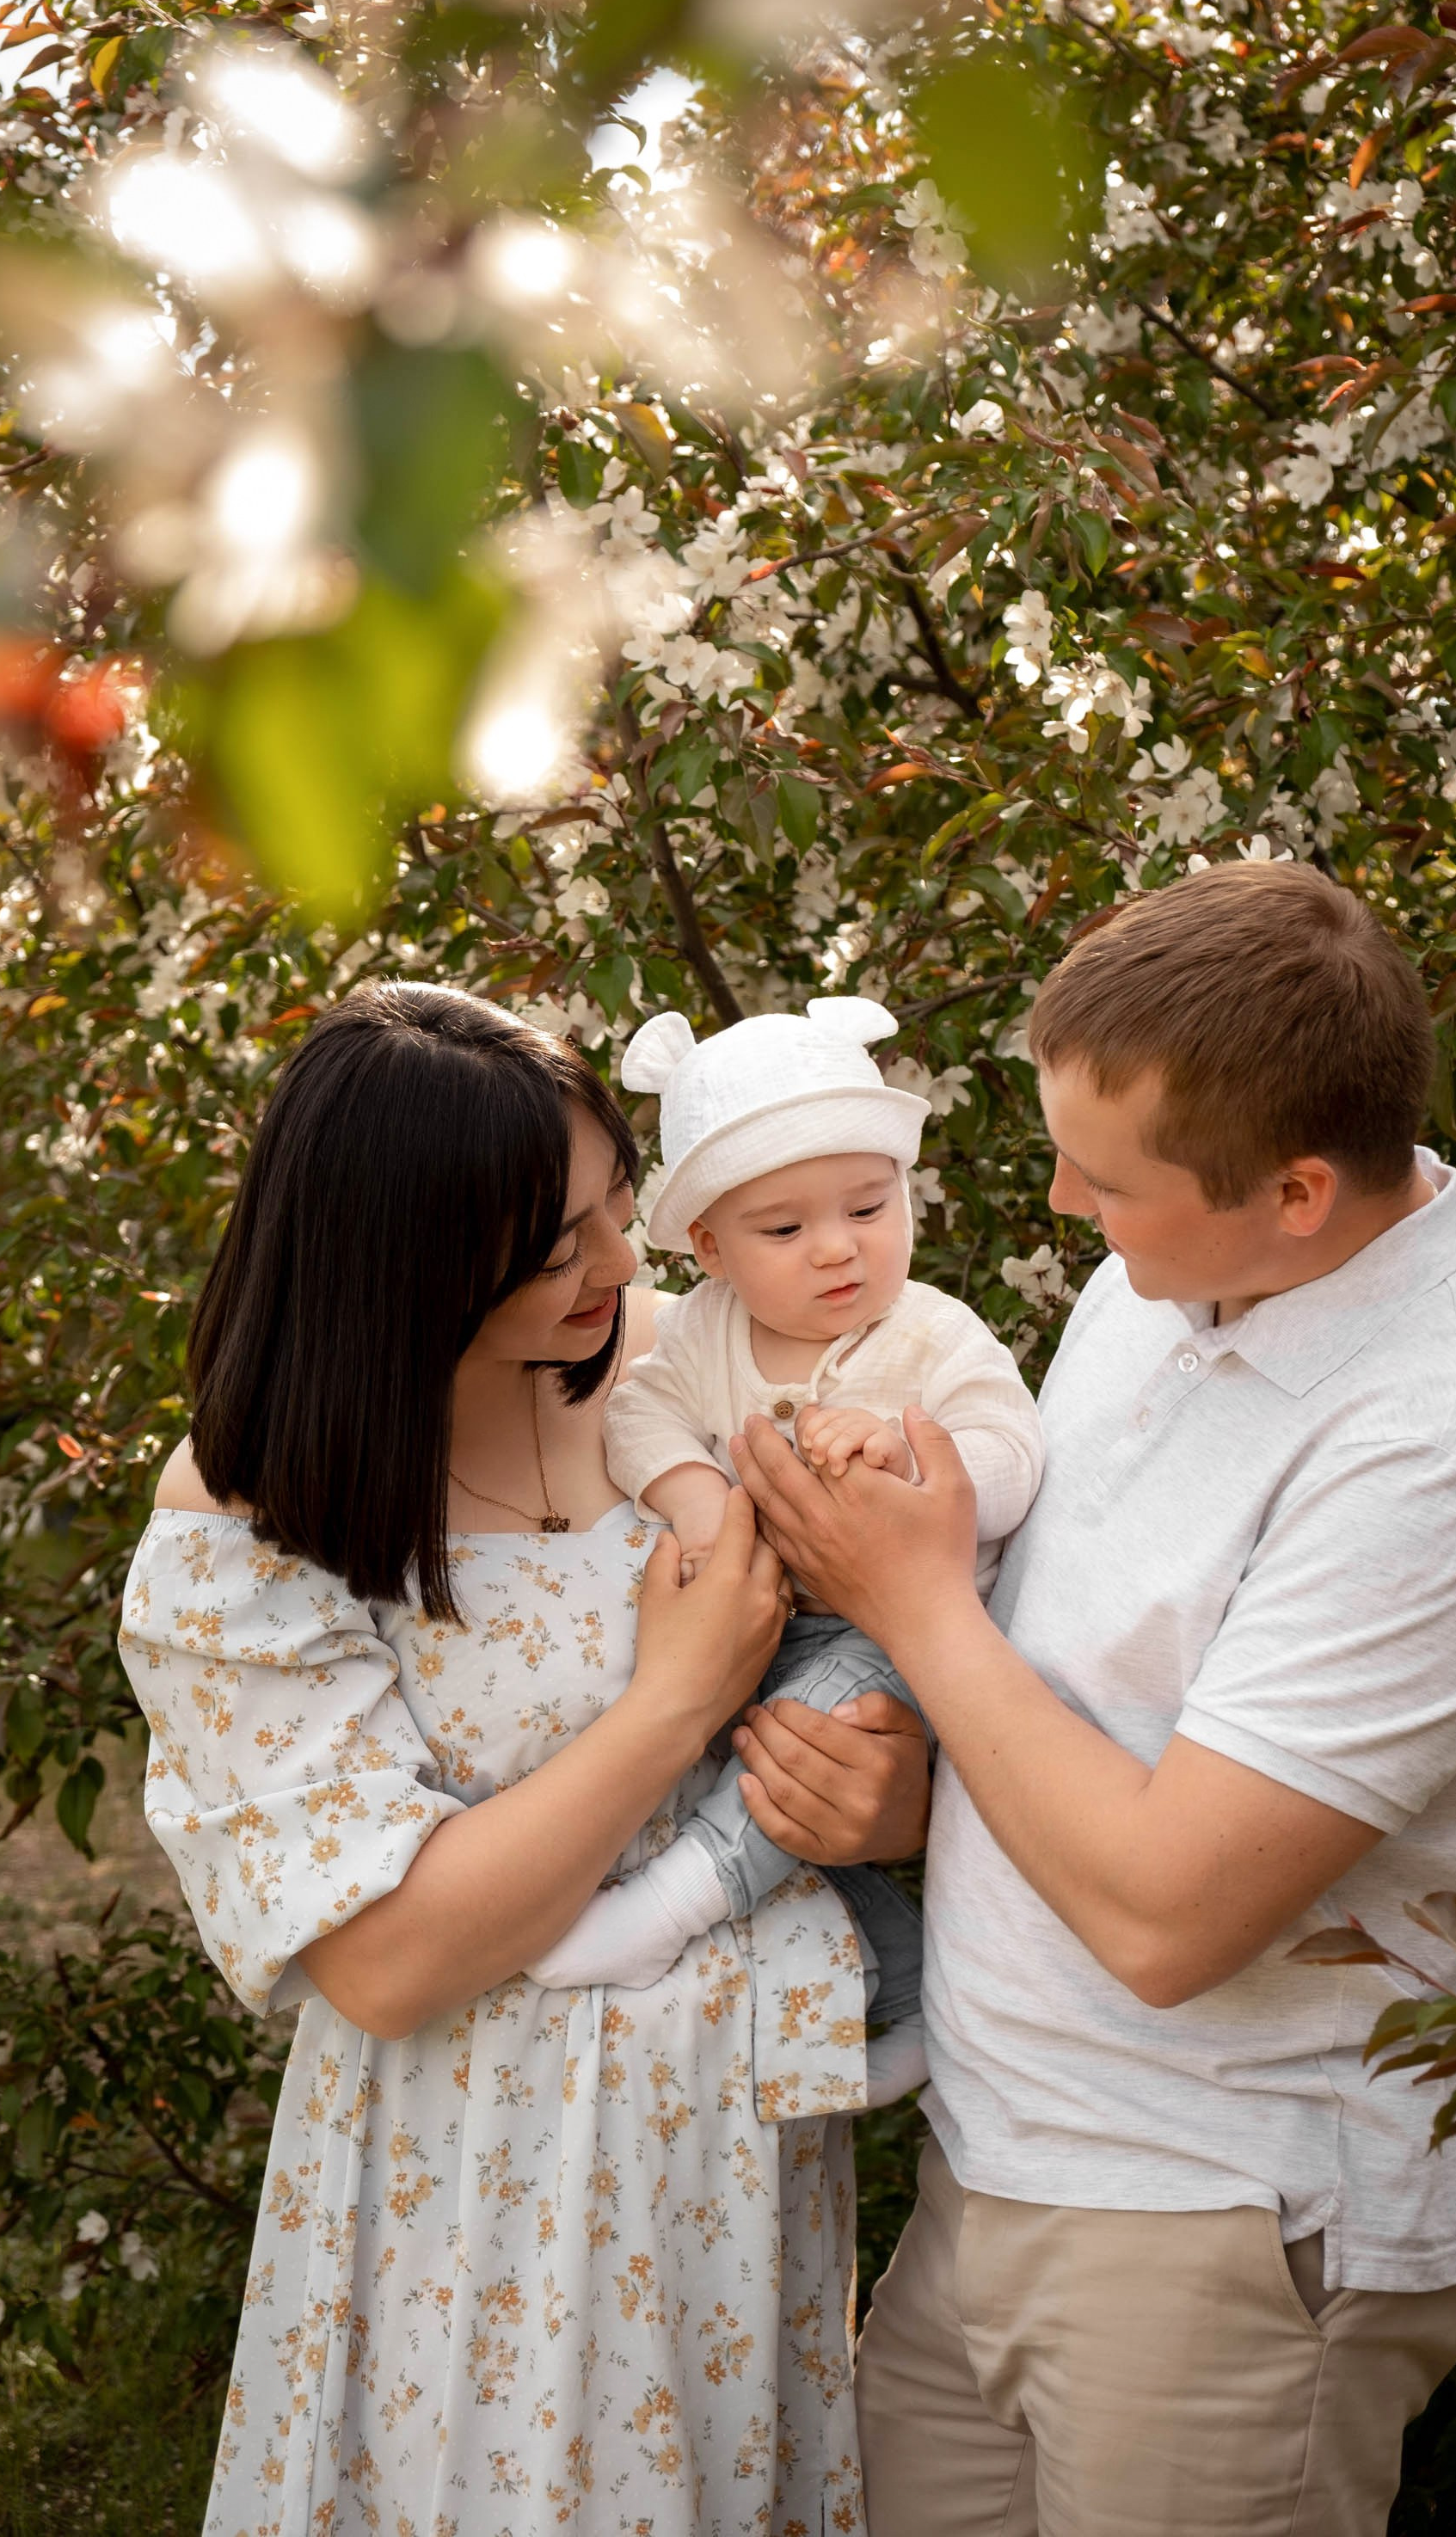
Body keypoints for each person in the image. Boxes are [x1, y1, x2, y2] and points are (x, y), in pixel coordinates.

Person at [728, 864, 1456, 2537]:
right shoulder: (1170, 1281)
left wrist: (904, 1590)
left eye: (1104, 1178)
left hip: (1220, 2228)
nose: (1062, 1206)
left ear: (1293, 1189)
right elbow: (1081, 1709)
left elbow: (1166, 1917)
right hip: (997, 2168)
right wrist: (922, 1793)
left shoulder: (1437, 1451)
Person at [118, 980, 928, 2537]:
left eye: (618, 1211)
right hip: (463, 2188)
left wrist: (894, 1803)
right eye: (559, 1247)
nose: (622, 1268)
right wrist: (672, 1706)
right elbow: (389, 1956)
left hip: (728, 2172)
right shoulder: (257, 1507)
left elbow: (921, 1630)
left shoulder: (700, 1379)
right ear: (401, 1264)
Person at [523, 997, 1043, 2105]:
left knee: (803, 1748)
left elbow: (1014, 1457)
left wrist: (915, 1462)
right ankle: (910, 1991)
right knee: (781, 1800)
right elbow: (636, 1421)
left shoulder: (932, 1335)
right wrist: (704, 1500)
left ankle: (663, 1916)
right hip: (768, 1624)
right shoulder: (706, 1330)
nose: (841, 1247)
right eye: (786, 1229)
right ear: (708, 1245)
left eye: (870, 1204)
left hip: (896, 1628)